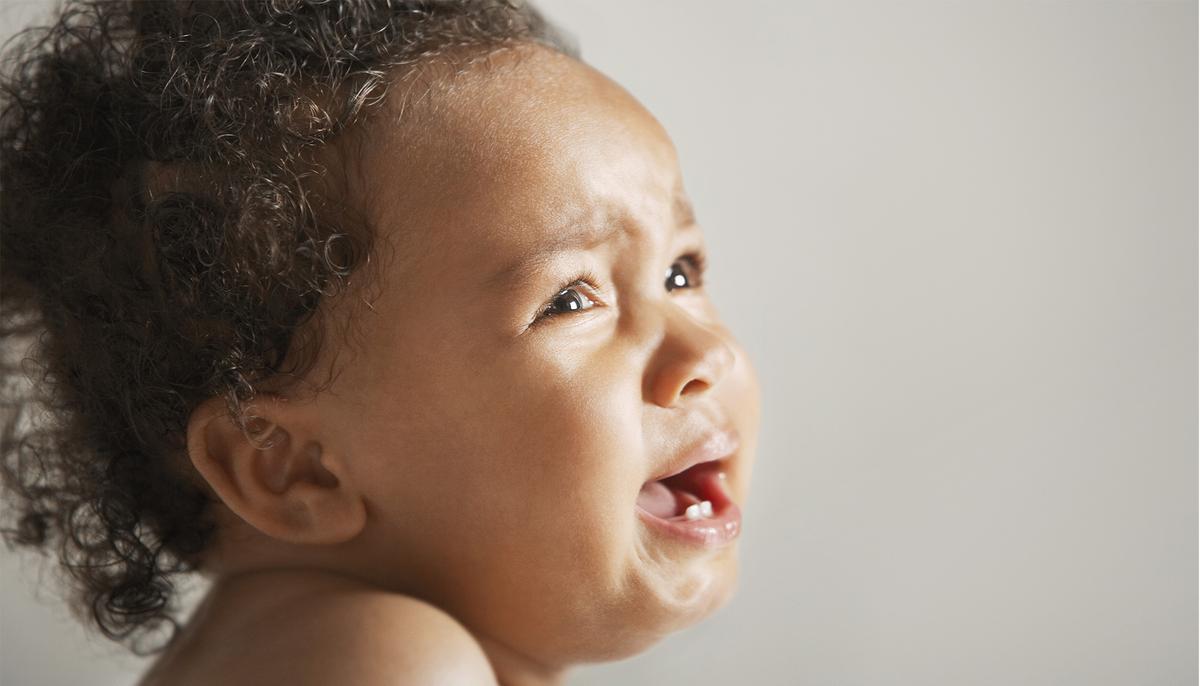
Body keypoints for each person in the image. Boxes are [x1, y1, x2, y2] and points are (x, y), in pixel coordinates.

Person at [0, 2, 762, 684]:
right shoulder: (386, 659)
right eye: (568, 300)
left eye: (680, 272)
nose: (707, 356)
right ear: (294, 468)